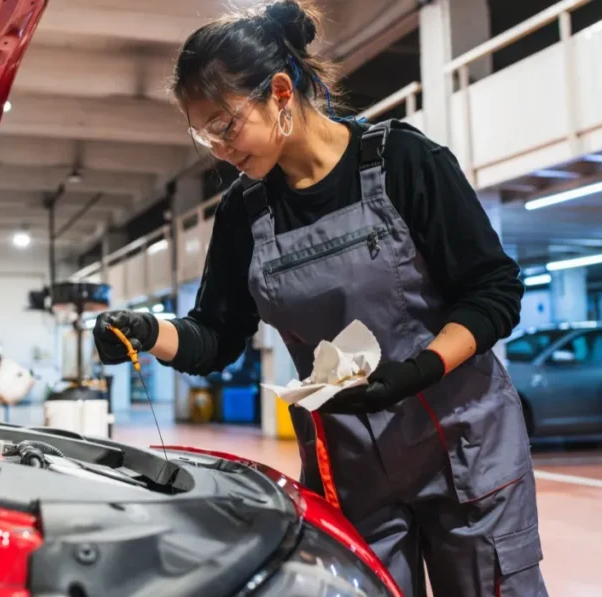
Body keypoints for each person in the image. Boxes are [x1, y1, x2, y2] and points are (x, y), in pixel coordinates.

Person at [93, 1, 548, 595]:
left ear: (280, 92)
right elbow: (217, 336)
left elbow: (493, 291)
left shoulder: (405, 163)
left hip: (464, 450)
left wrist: (419, 371)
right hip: (352, 468)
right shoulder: (243, 213)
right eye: (203, 135)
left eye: (226, 125)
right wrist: (149, 331)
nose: (220, 149)